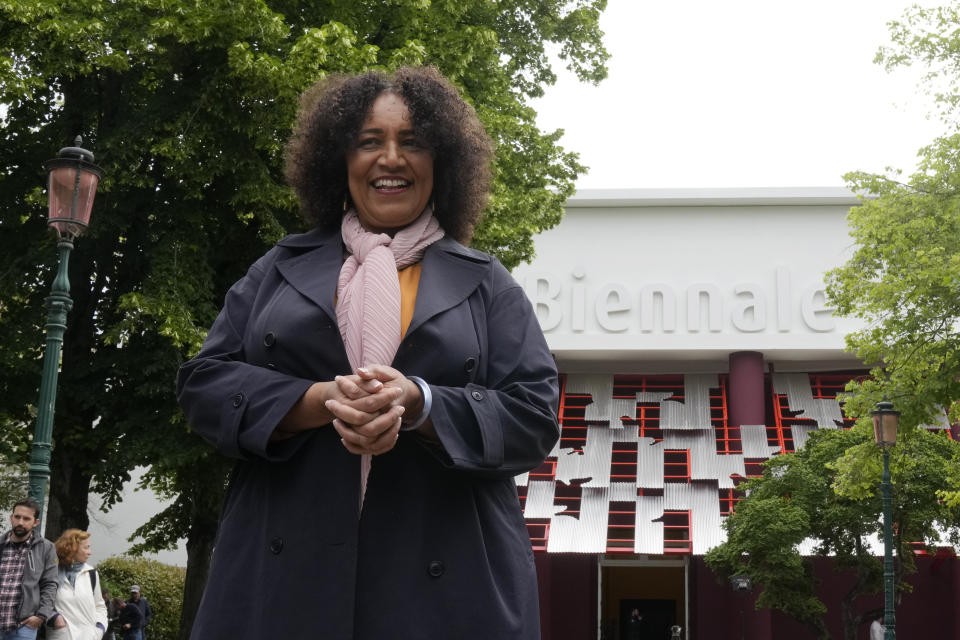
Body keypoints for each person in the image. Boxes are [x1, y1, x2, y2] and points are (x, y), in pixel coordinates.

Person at [176, 65, 560, 639]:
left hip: (448, 590)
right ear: (339, 160)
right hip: (282, 581)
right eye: (368, 142)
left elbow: (534, 416)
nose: (391, 158)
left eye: (412, 142)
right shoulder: (279, 267)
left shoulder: (486, 283)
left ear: (443, 163)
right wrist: (316, 400)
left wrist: (421, 404)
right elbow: (203, 386)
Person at [0, 498, 58, 640]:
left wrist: (41, 615)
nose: (20, 522)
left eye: (26, 519)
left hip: (23, 627)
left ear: (35, 522)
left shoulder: (46, 548)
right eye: (17, 517)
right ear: (11, 517)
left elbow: (50, 584)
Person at [46, 529, 107, 640]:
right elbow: (40, 601)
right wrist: (53, 618)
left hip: (90, 636)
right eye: (86, 547)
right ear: (72, 549)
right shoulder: (51, 572)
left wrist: (100, 627)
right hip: (62, 635)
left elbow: (99, 605)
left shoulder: (91, 573)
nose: (90, 552)